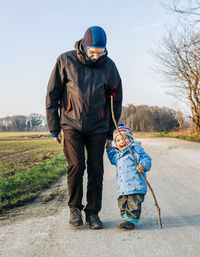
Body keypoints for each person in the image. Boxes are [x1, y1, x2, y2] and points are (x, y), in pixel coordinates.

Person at [46, 26, 122, 229]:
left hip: (98, 126)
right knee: (77, 166)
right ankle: (75, 209)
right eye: (93, 52)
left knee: (96, 170)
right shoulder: (65, 60)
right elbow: (53, 95)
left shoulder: (109, 66)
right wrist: (54, 127)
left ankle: (93, 212)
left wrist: (110, 131)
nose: (97, 56)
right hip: (71, 125)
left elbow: (116, 100)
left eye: (101, 52)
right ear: (84, 45)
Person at [106, 124, 151, 229]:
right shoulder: (118, 154)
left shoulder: (136, 150)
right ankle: (125, 218)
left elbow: (146, 159)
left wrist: (143, 165)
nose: (121, 142)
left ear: (130, 139)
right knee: (122, 203)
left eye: (124, 139)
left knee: (134, 204)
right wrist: (109, 149)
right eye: (118, 141)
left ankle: (130, 221)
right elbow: (113, 158)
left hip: (136, 185)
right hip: (123, 187)